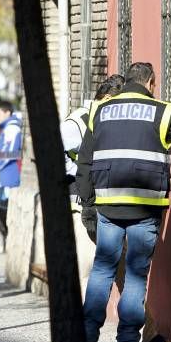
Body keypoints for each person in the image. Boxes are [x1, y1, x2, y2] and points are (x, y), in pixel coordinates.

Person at [77, 62, 171, 342]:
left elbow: (86, 160)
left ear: (127, 81)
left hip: (107, 204)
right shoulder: (160, 111)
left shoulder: (99, 110)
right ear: (151, 82)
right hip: (144, 205)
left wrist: (88, 202)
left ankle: (87, 341)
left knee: (103, 269)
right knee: (136, 273)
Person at [61, 74, 125, 235]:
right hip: (78, 196)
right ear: (107, 98)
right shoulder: (77, 122)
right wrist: (80, 173)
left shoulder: (102, 119)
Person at [0, 101, 22, 252]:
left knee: (6, 211)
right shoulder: (7, 127)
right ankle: (6, 242)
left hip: (6, 177)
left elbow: (9, 151)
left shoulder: (12, 128)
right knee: (2, 211)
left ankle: (10, 242)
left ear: (7, 113)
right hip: (1, 176)